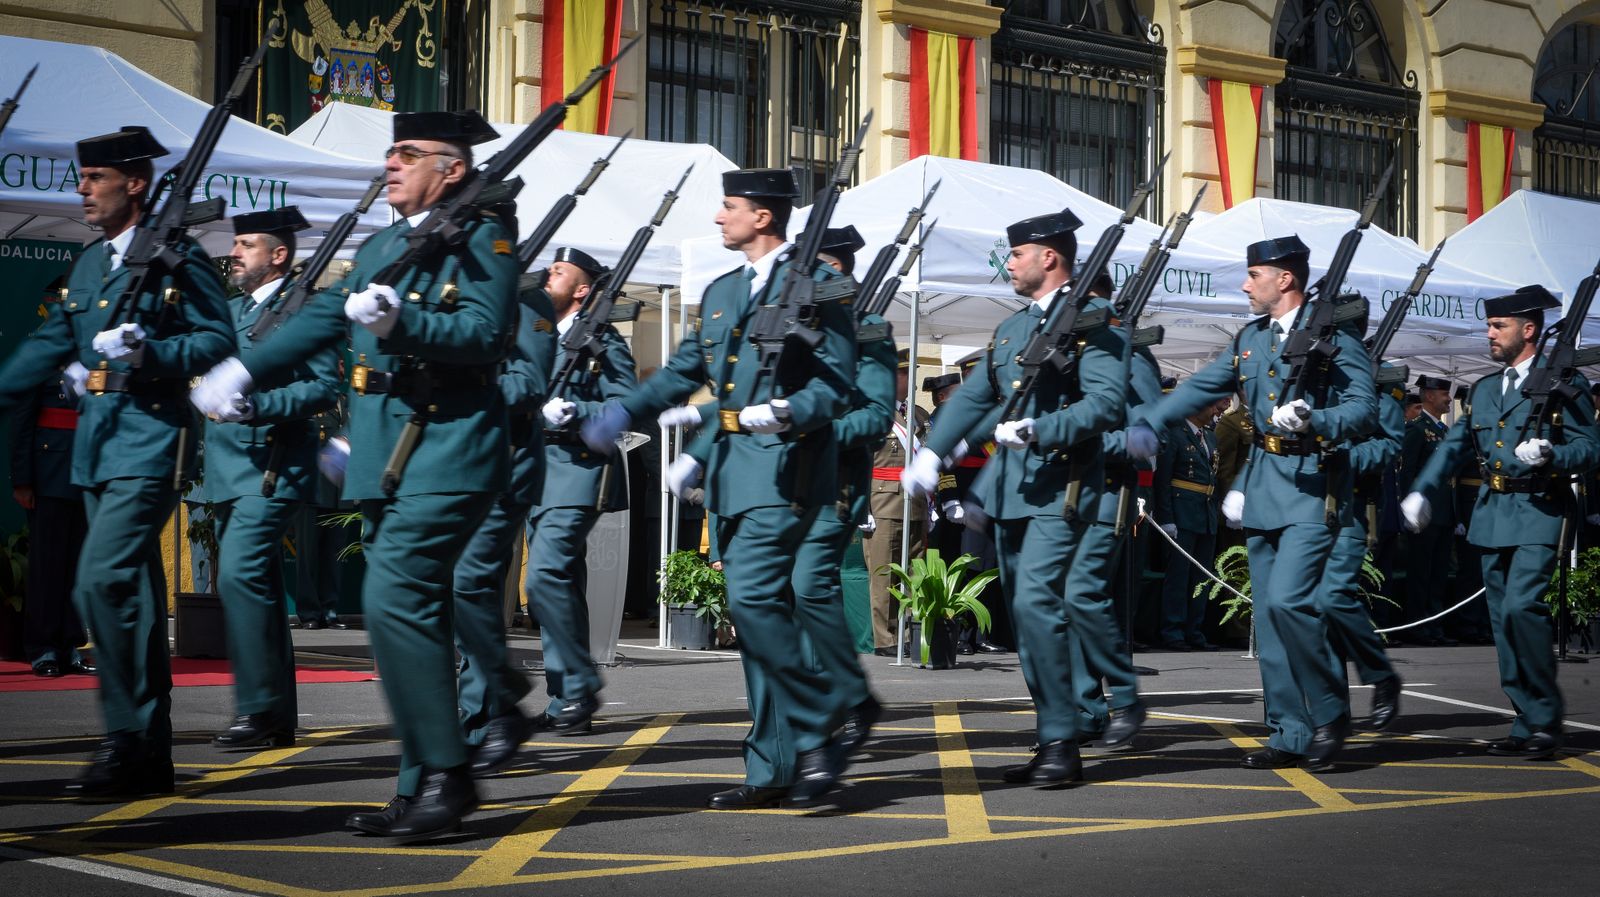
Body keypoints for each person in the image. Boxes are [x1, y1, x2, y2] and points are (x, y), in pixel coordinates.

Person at [193, 110, 517, 839]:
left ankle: (447, 772)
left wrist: (404, 324)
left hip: (447, 450)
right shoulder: (385, 245)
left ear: (452, 168)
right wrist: (244, 364)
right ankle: (421, 784)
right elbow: (325, 316)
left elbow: (487, 334)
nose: (391, 162)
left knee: (397, 599)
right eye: (391, 150)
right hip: (384, 458)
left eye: (408, 152)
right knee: (407, 619)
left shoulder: (485, 237)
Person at [582, 169, 857, 809]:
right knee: (756, 627)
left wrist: (790, 411)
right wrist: (632, 412)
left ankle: (818, 737)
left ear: (763, 216)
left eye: (729, 207)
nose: (718, 218)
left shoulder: (821, 286)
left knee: (764, 612)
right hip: (735, 480)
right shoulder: (723, 290)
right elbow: (690, 372)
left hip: (788, 477)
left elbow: (838, 385)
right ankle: (771, 769)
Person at [0, 126, 235, 797]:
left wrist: (148, 353)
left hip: (149, 438)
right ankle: (149, 753)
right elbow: (45, 347)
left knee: (98, 582)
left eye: (94, 178)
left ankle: (124, 735)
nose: (82, 188)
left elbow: (218, 337)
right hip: (96, 447)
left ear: (134, 183)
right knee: (131, 590)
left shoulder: (176, 257)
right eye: (83, 177)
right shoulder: (88, 264)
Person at [1127, 235, 1377, 772]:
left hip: (1313, 487)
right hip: (1264, 491)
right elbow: (1201, 389)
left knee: (1291, 604)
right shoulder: (1251, 338)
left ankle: (1331, 715)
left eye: (1253, 275)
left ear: (1284, 279)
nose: (1245, 284)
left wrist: (1317, 418)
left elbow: (1363, 408)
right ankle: (1289, 731)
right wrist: (1147, 420)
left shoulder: (1335, 337)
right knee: (1269, 616)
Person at [904, 209, 1128, 786]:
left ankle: (1064, 737)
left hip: (1063, 488)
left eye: (1016, 254)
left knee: (1035, 607)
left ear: (1047, 257)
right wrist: (933, 452)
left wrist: (1041, 429)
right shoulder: (1010, 330)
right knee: (1028, 623)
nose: (1008, 263)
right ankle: (1056, 735)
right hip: (1009, 495)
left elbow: (1106, 404)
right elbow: (975, 397)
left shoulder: (1094, 323)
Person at [1402, 285, 1600, 760]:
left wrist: (1554, 453)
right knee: (1501, 623)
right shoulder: (1488, 389)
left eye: (1499, 326)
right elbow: (1455, 446)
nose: (1489, 334)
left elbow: (1590, 448)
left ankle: (1545, 717)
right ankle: (1525, 720)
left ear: (1528, 330)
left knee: (1522, 611)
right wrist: (1422, 489)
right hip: (1492, 515)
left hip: (1538, 510)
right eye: (1490, 325)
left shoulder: (1562, 384)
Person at [201, 206, 341, 749]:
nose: (234, 253)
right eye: (235, 244)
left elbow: (323, 387)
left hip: (273, 465)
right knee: (255, 583)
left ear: (279, 255)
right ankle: (275, 715)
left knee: (238, 576)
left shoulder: (304, 310)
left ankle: (257, 711)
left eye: (247, 245)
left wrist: (258, 405)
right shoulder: (232, 311)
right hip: (228, 466)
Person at [451, 265, 557, 777]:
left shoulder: (526, 299)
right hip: (445, 466)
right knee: (449, 592)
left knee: (470, 585)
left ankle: (486, 715)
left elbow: (529, 382)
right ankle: (481, 710)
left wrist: (461, 380)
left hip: (501, 466)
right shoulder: (447, 281)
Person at [529, 247, 636, 735]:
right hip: (528, 470)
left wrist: (577, 412)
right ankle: (566, 697)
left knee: (545, 576)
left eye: (559, 271)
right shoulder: (535, 333)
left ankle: (579, 681)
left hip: (575, 469)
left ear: (581, 289)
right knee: (561, 582)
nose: (549, 274)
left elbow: (627, 401)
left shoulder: (604, 340)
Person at [10, 277, 92, 679]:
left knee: (79, 565)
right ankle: (42, 646)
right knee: (47, 565)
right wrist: (22, 479)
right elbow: (22, 420)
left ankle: (70, 644)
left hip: (89, 472)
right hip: (49, 472)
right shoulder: (42, 354)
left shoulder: (96, 352)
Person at [862, 348, 930, 656]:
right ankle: (886, 638)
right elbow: (861, 463)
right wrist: (861, 506)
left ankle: (911, 632)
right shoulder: (872, 413)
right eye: (905, 373)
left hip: (915, 502)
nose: (910, 379)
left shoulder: (918, 415)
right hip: (883, 503)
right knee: (884, 573)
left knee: (915, 571)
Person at [1154, 397, 1229, 651]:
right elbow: (1162, 480)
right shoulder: (1175, 434)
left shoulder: (1210, 436)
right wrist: (1165, 518)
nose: (1217, 411)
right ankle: (1173, 631)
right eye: (1212, 405)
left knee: (1202, 576)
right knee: (1178, 576)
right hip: (1181, 512)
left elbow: (1214, 477)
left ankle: (1194, 631)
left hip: (1205, 512)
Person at [1398, 374, 1457, 645]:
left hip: (1444, 512)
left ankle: (1435, 625)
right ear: (1430, 395)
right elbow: (1406, 472)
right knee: (1421, 573)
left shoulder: (1445, 432)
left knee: (1439, 574)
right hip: (1424, 513)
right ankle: (1417, 625)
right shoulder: (1417, 429)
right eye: (1444, 394)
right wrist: (1408, 506)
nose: (1448, 400)